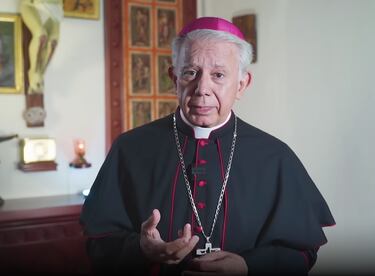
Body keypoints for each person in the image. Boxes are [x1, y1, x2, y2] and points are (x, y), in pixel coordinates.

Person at [80, 17, 335, 275]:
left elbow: (302, 252)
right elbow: (99, 243)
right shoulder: (130, 149)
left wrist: (248, 266)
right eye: (190, 72)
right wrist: (141, 249)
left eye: (218, 75)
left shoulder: (275, 157)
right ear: (174, 78)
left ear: (242, 84)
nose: (202, 88)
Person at [20, 0, 63, 94]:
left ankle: (40, 74)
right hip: (32, 4)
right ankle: (34, 73)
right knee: (41, 36)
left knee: (53, 42)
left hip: (55, 8)